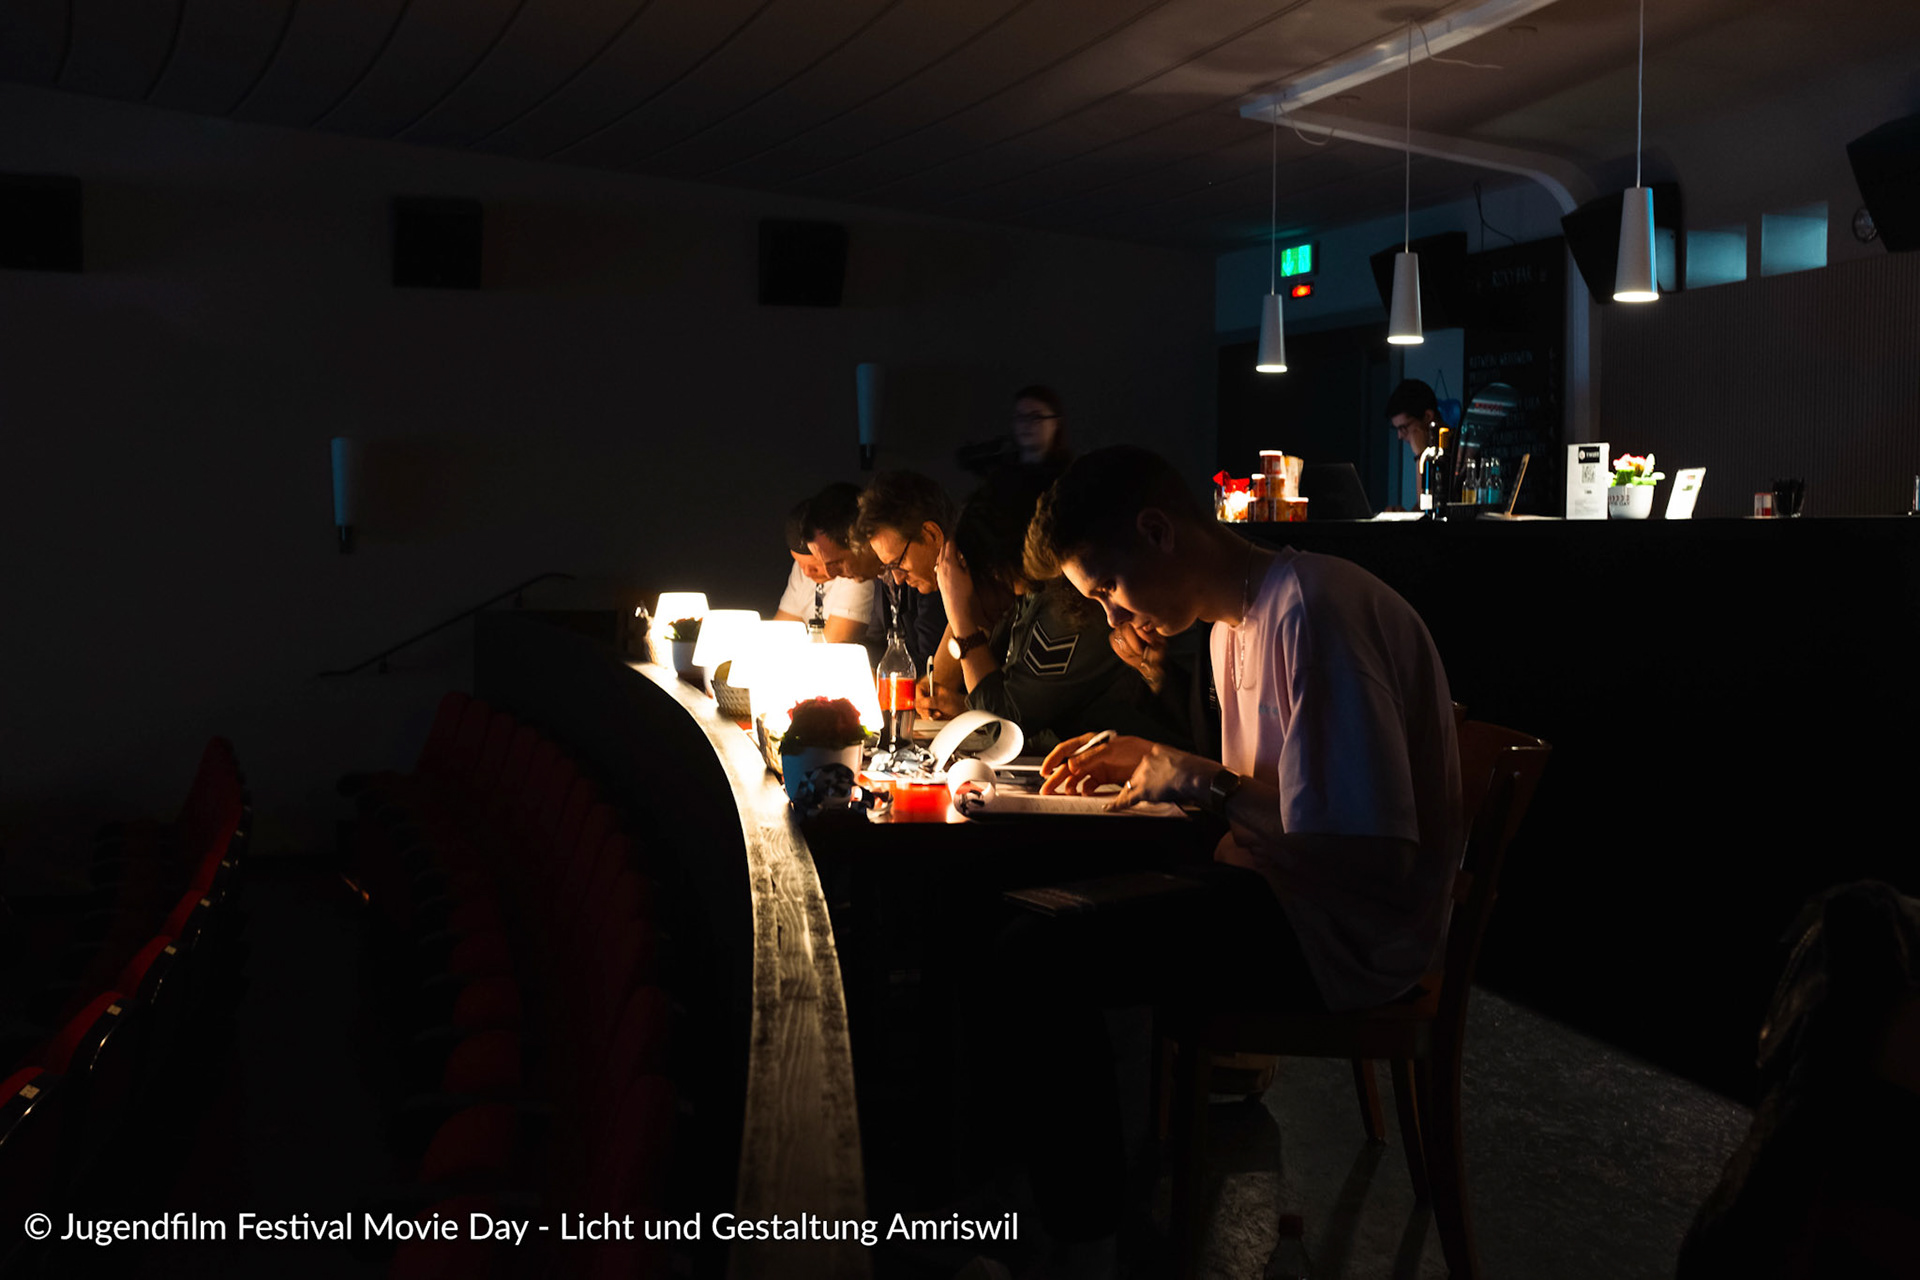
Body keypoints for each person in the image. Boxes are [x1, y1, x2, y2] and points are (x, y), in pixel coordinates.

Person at [983, 445, 1459, 1273]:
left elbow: (1371, 855)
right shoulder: (1234, 626)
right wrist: (1156, 764)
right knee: (1027, 909)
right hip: (1287, 898)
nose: (1110, 614)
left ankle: (1082, 1245)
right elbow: (1274, 803)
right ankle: (1095, 1214)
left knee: (1036, 956)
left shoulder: (1313, 607)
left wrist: (1199, 780)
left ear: (1157, 531)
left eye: (1107, 587)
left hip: (1343, 936)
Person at [930, 471, 1190, 754]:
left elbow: (1003, 728)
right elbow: (1006, 701)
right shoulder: (1027, 600)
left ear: (994, 569)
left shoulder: (1068, 607)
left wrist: (960, 618)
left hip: (1146, 767)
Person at [855, 471, 954, 677]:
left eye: (898, 563)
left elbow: (933, 679)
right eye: (888, 568)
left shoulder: (974, 592)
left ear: (932, 535)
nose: (898, 579)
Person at [772, 496, 872, 644]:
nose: (807, 572)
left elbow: (833, 645)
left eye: (815, 565)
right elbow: (779, 635)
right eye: (800, 564)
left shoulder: (853, 573)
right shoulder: (803, 570)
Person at [956, 384, 1074, 481]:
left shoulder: (1068, 478)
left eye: (1036, 417)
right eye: (1020, 416)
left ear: (1055, 423)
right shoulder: (1001, 476)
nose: (1026, 424)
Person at [1386, 378, 1441, 457]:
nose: (1400, 436)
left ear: (1427, 417)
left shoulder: (1456, 452)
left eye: (1403, 427)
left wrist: (1420, 455)